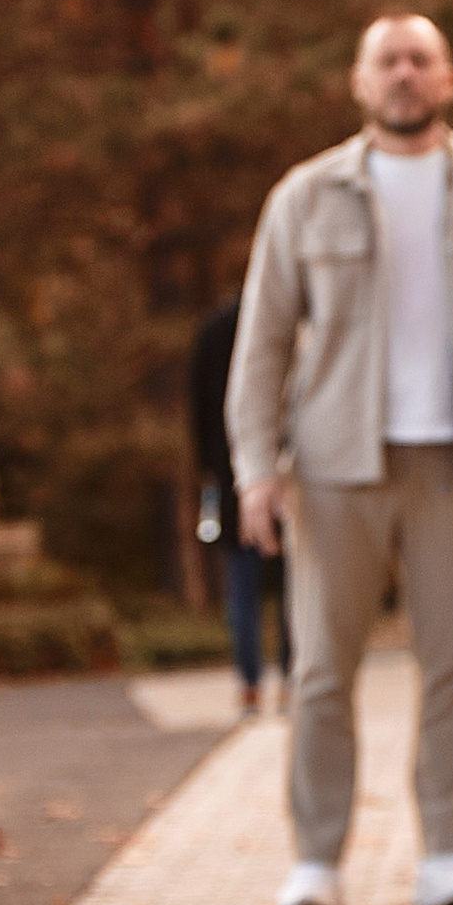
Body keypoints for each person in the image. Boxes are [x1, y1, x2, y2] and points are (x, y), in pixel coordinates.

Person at [228, 12, 453, 905]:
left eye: (421, 60)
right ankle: (316, 862)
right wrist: (257, 466)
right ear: (360, 81)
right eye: (389, 61)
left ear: (448, 79)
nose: (405, 75)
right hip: (336, 467)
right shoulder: (305, 195)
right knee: (321, 671)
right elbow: (261, 342)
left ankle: (447, 857)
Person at [187, 297, 287, 713]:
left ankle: (250, 684)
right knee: (290, 587)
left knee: (242, 590)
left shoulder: (213, 331)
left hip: (231, 476)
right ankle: (290, 677)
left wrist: (209, 468)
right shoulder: (283, 326)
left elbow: (197, 411)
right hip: (284, 471)